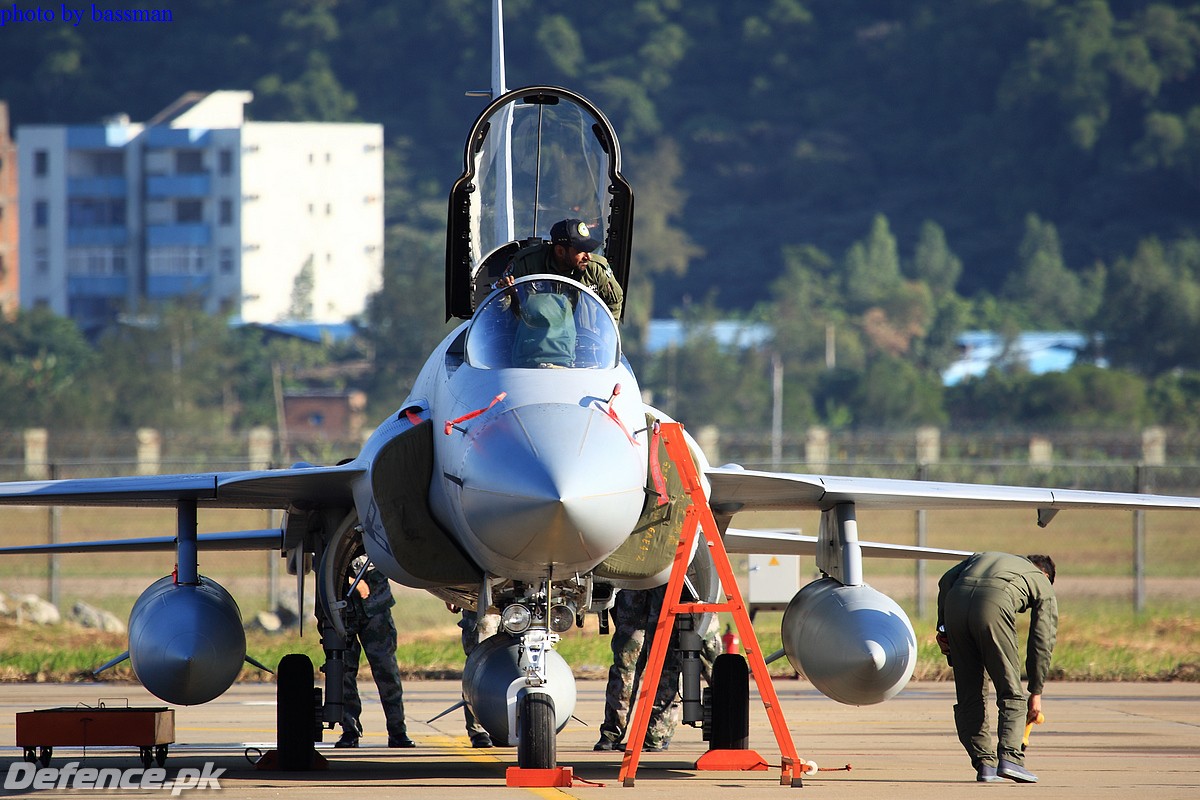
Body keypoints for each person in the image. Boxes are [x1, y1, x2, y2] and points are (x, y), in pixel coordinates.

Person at [936, 552, 1058, 783]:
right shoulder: (1041, 580)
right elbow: (1042, 639)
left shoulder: (987, 558)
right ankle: (1011, 759)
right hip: (993, 604)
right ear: (1046, 575)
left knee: (969, 693)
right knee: (1009, 689)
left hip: (955, 603)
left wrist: (943, 628)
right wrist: (1036, 691)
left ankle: (985, 765)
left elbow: (946, 580)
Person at [335, 557, 415, 748]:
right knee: (343, 672)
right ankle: (349, 730)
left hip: (376, 608)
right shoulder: (328, 528)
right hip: (341, 610)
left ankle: (397, 730)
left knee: (386, 670)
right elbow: (318, 560)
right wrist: (350, 580)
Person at [594, 585, 683, 752]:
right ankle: (611, 732)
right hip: (635, 582)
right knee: (624, 661)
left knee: (666, 662)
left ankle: (656, 734)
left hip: (670, 582)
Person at [502, 218, 624, 319]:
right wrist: (506, 294)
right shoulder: (526, 264)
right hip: (530, 341)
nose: (588, 256)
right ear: (560, 251)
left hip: (582, 344)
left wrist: (605, 338)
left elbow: (615, 301)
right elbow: (497, 309)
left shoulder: (596, 269)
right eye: (580, 251)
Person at [450, 604, 500, 748]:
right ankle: (478, 730)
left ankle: (504, 727)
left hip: (518, 603)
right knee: (479, 662)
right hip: (481, 601)